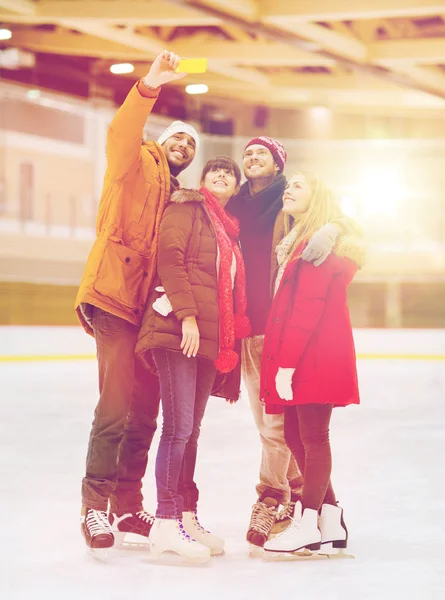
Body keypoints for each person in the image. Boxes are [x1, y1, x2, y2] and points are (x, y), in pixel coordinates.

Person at [74, 50, 200, 554]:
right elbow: (120, 133)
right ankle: (95, 507)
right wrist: (149, 85)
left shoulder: (179, 197)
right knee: (116, 405)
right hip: (112, 296)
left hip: (150, 312)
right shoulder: (134, 162)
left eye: (191, 143)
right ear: (162, 141)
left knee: (145, 412)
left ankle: (128, 505)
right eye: (178, 137)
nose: (184, 145)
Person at [226, 137, 363, 548]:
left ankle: (286, 503)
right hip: (255, 332)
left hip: (295, 342)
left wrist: (336, 226)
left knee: (294, 431)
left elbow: (339, 215)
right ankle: (326, 514)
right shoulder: (238, 207)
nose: (252, 158)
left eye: (262, 153)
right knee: (286, 430)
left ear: (279, 165)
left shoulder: (305, 227)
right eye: (247, 152)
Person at [136, 156, 250, 563]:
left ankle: (185, 512)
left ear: (235, 187)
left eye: (229, 174)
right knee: (178, 427)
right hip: (178, 330)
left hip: (209, 336)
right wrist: (186, 316)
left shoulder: (228, 231)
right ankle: (166, 522)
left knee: (192, 430)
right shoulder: (185, 207)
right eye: (214, 171)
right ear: (202, 181)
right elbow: (171, 258)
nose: (222, 176)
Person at [260, 171, 363, 557]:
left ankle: (307, 523)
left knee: (314, 436)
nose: (289, 189)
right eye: (290, 185)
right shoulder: (299, 241)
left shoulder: (317, 246)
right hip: (306, 351)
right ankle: (331, 516)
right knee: (292, 434)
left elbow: (307, 308)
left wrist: (286, 366)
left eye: (299, 185)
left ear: (317, 197)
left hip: (314, 353)